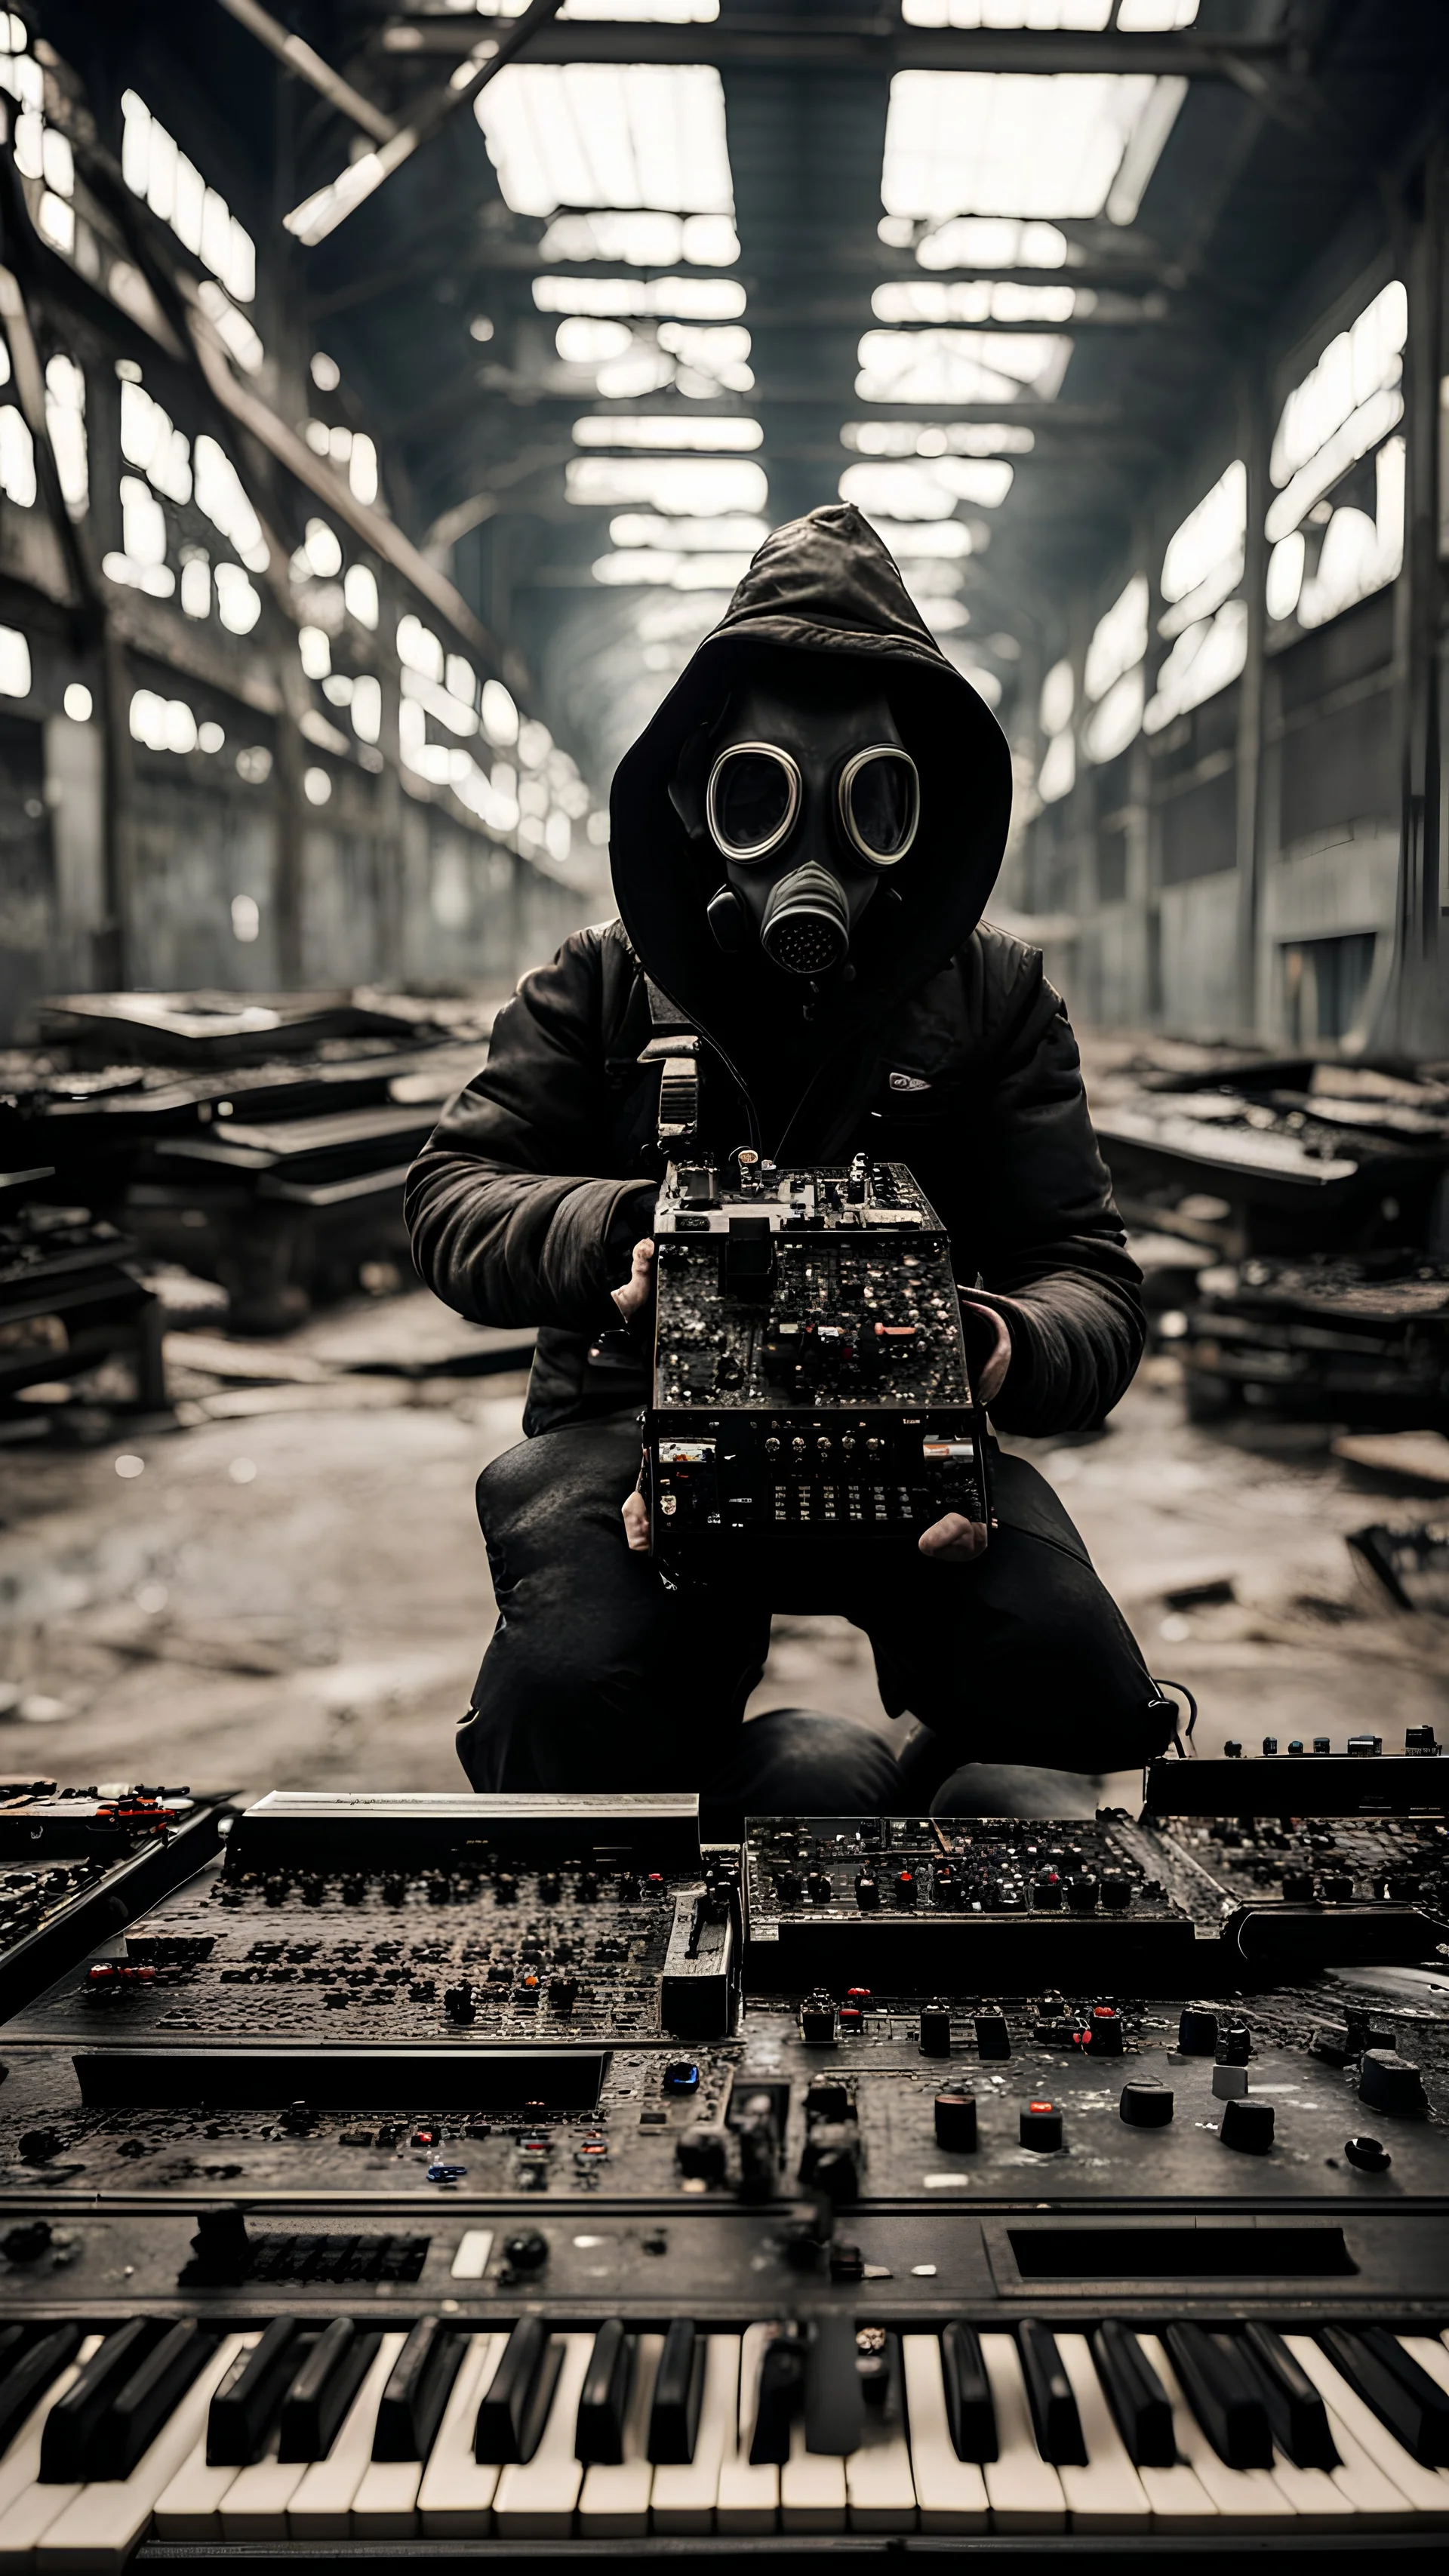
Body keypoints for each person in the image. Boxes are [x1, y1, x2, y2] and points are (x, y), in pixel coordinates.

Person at [406, 506, 1175, 1823]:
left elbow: (1088, 1278)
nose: (810, 854)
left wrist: (987, 1344)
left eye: (869, 803)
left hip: (908, 1445)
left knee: (1077, 1678)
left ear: (918, 816)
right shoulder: (600, 986)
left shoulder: (992, 1003)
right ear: (700, 805)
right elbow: (451, 1199)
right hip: (634, 1440)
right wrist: (623, 1239)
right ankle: (656, 1836)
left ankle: (937, 1788)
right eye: (760, 796)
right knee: (567, 1696)